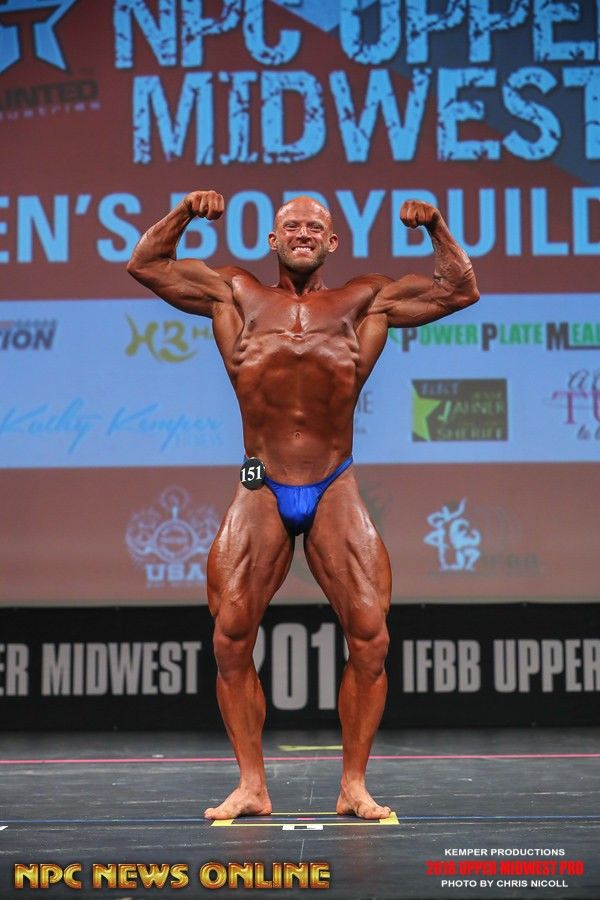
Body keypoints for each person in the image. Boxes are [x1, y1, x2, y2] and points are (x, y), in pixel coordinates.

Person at [127, 191, 479, 820]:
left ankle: (353, 786)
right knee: (230, 636)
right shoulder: (234, 293)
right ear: (273, 239)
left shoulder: (365, 299)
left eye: (315, 227)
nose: (303, 233)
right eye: (291, 226)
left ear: (332, 242)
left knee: (370, 636)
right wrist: (183, 211)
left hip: (332, 479)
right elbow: (146, 264)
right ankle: (251, 785)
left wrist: (436, 226)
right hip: (260, 479)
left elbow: (459, 290)